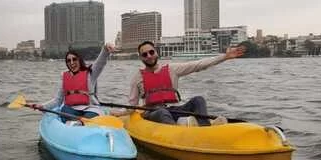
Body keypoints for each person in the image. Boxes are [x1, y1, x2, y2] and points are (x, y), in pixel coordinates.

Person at [112, 41, 245, 126]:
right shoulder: (138, 77)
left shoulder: (172, 69)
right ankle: (181, 131)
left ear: (156, 52)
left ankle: (205, 128)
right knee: (161, 111)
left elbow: (198, 65)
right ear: (141, 58)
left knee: (198, 100)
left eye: (151, 52)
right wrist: (120, 114)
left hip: (174, 109)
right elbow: (132, 104)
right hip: (152, 112)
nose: (149, 56)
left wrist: (224, 57)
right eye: (145, 54)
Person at [41, 43, 115, 122]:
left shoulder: (91, 73)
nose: (72, 63)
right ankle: (74, 125)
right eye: (69, 60)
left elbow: (100, 63)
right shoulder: (64, 77)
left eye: (74, 59)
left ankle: (82, 124)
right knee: (65, 110)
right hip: (71, 109)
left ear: (79, 60)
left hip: (90, 108)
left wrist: (105, 49)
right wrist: (42, 106)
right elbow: (58, 100)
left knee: (89, 118)